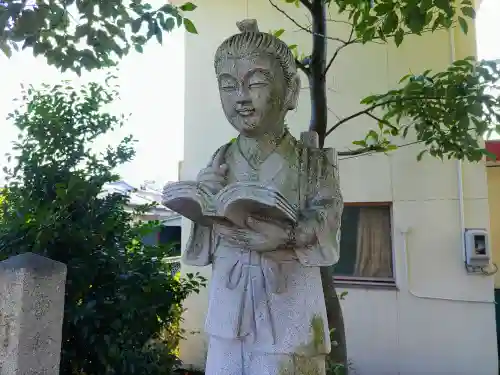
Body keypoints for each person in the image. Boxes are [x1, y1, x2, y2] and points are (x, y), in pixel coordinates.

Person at [182, 19, 343, 375]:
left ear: (291, 92)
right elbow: (204, 247)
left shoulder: (312, 162)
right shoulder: (220, 159)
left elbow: (328, 216)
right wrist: (204, 204)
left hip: (290, 304)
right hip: (230, 305)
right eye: (228, 85)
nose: (241, 96)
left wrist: (288, 236)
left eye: (255, 82)